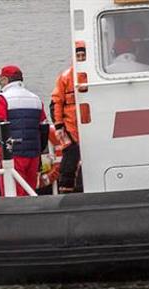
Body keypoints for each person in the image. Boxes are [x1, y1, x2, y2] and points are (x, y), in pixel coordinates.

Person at [0, 65, 46, 196]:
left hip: (13, 155)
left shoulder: (2, 99)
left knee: (12, 193)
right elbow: (44, 128)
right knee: (29, 191)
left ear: (5, 80)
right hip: (33, 155)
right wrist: (39, 151)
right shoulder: (36, 99)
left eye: (0, 80)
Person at [50, 42, 86, 193]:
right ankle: (66, 188)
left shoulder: (91, 75)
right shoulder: (65, 77)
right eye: (78, 55)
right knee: (70, 155)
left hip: (88, 124)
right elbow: (57, 102)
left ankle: (80, 187)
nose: (81, 58)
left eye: (83, 55)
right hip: (70, 124)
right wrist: (59, 125)